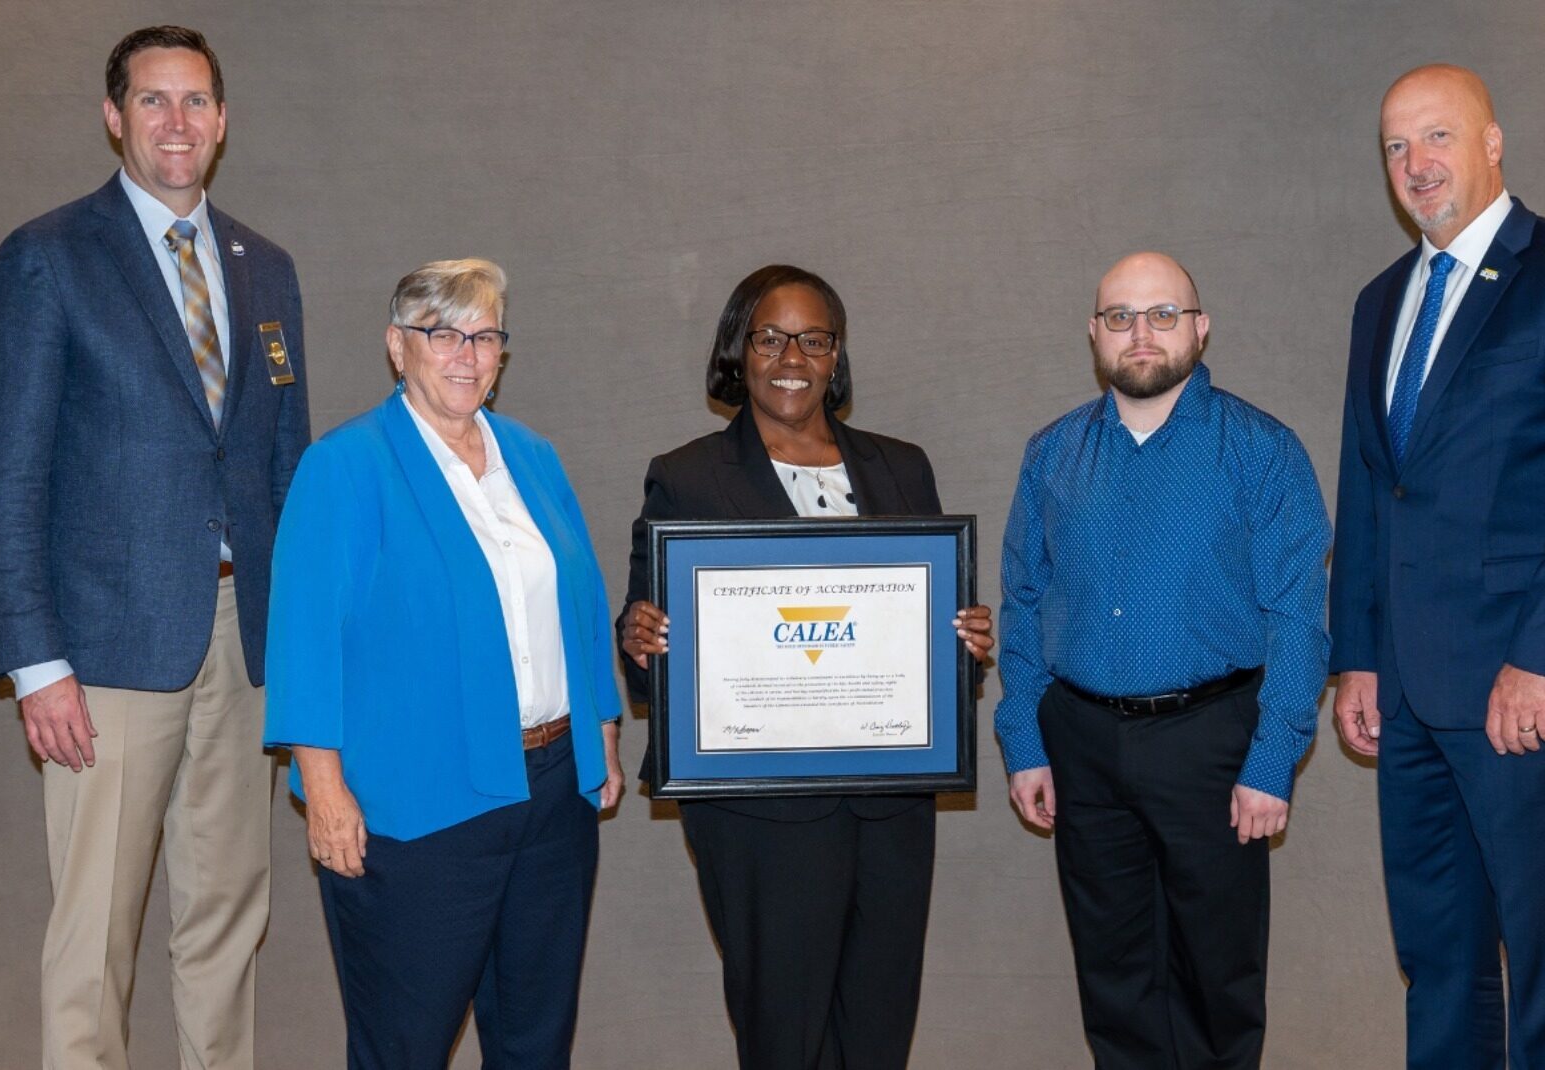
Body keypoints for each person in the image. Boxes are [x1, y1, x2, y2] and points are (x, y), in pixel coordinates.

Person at [0, 25, 309, 1068]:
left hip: (242, 644)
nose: (176, 121)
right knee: (94, 936)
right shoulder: (49, 257)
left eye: (195, 100)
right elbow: (5, 477)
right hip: (105, 651)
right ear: (114, 116)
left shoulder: (266, 269)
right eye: (152, 100)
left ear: (223, 120)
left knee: (228, 917)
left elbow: (284, 471)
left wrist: (296, 643)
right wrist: (37, 663)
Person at [1330, 64, 1545, 1069]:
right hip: (1408, 692)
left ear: (1491, 143)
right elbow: (1370, 490)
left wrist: (1542, 660)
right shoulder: (1379, 301)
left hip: (1526, 687)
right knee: (1439, 959)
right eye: (1396, 145)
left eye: (1437, 136)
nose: (1416, 163)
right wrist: (1357, 655)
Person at [617, 264, 994, 1069]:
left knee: (880, 1031)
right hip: (761, 819)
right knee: (784, 1037)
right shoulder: (686, 476)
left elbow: (930, 644)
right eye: (771, 337)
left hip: (890, 810)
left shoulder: (902, 467)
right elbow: (651, 663)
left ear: (836, 356)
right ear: (738, 350)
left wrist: (962, 643)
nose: (793, 357)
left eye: (814, 339)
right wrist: (641, 639)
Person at [263, 259, 623, 1067]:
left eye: (485, 336)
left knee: (535, 1043)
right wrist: (322, 788)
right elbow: (304, 637)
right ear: (398, 347)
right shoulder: (346, 466)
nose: (467, 354)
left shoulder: (532, 456)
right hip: (416, 808)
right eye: (443, 334)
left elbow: (580, 595)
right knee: (405, 1046)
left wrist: (602, 730)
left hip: (551, 797)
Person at [995, 252, 1330, 1069]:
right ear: (1094, 333)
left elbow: (1298, 617)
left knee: (1218, 977)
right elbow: (1023, 603)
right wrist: (1026, 740)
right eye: (1120, 316)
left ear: (1200, 328)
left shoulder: (1261, 451)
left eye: (1162, 314)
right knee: (1115, 982)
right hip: (1081, 743)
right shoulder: (1051, 454)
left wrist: (1273, 758)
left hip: (1212, 743)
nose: (1140, 333)